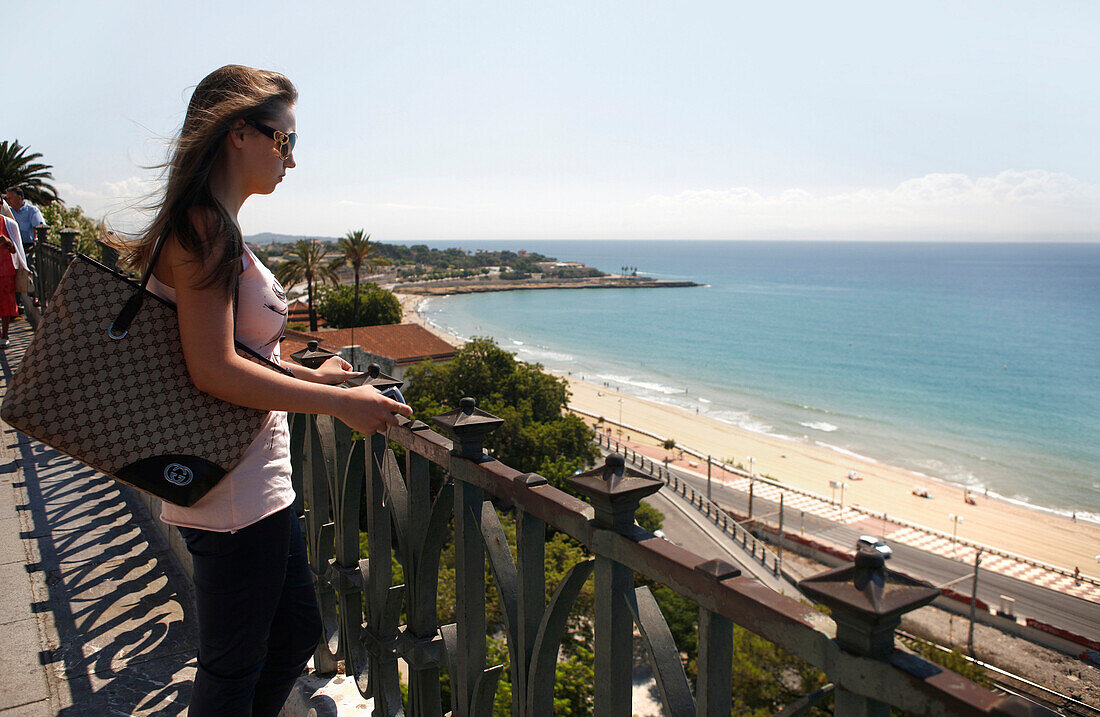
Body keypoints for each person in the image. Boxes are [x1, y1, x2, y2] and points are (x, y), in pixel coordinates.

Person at [118, 65, 412, 716]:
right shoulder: (205, 229)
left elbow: (243, 352)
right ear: (237, 133)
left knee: (295, 630)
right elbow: (214, 369)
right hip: (228, 487)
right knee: (233, 666)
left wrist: (312, 376)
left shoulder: (214, 224)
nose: (293, 159)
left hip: (253, 478)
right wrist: (341, 402)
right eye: (284, 140)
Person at [0, 203, 27, 346]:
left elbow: (17, 249)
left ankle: (5, 334)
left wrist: (8, 242)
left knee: (5, 303)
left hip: (5, 269)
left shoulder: (9, 224)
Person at [3, 186, 45, 255]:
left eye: (10, 198)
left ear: (19, 198)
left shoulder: (32, 211)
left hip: (29, 247)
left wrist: (35, 240)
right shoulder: (8, 212)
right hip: (13, 247)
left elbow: (38, 227)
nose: (7, 201)